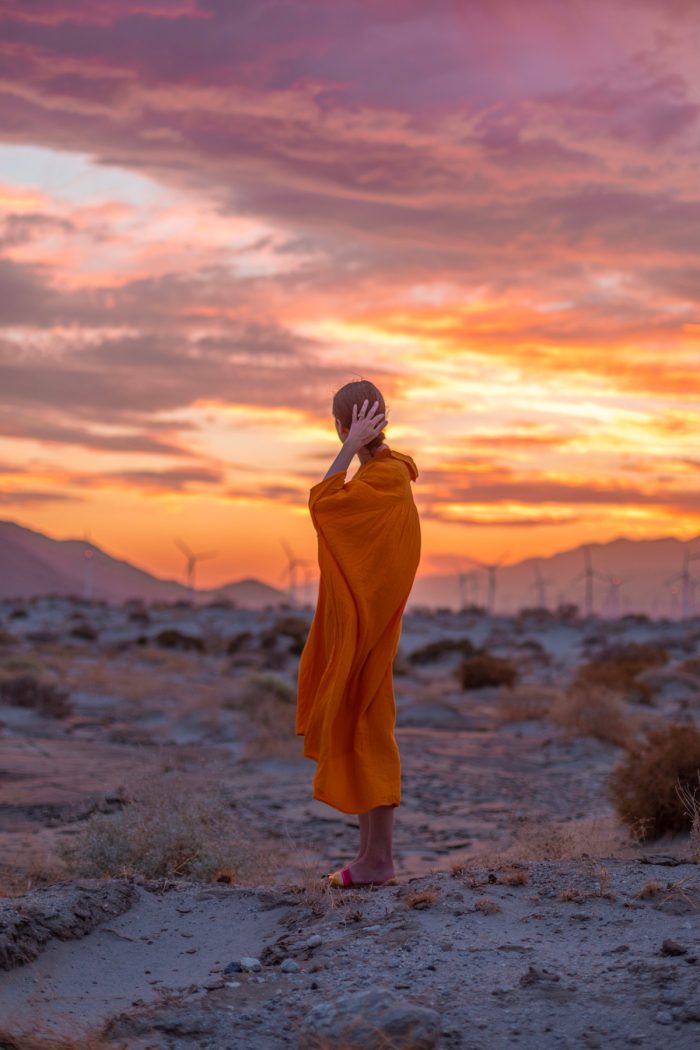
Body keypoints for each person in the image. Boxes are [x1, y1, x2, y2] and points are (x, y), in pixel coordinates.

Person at [295, 379, 421, 888]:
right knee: (359, 721)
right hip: (361, 622)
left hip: (371, 625)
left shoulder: (387, 477)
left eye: (340, 428)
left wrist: (346, 448)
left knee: (370, 723)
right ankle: (370, 857)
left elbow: (324, 505)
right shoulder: (380, 477)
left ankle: (379, 860)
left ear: (342, 425)